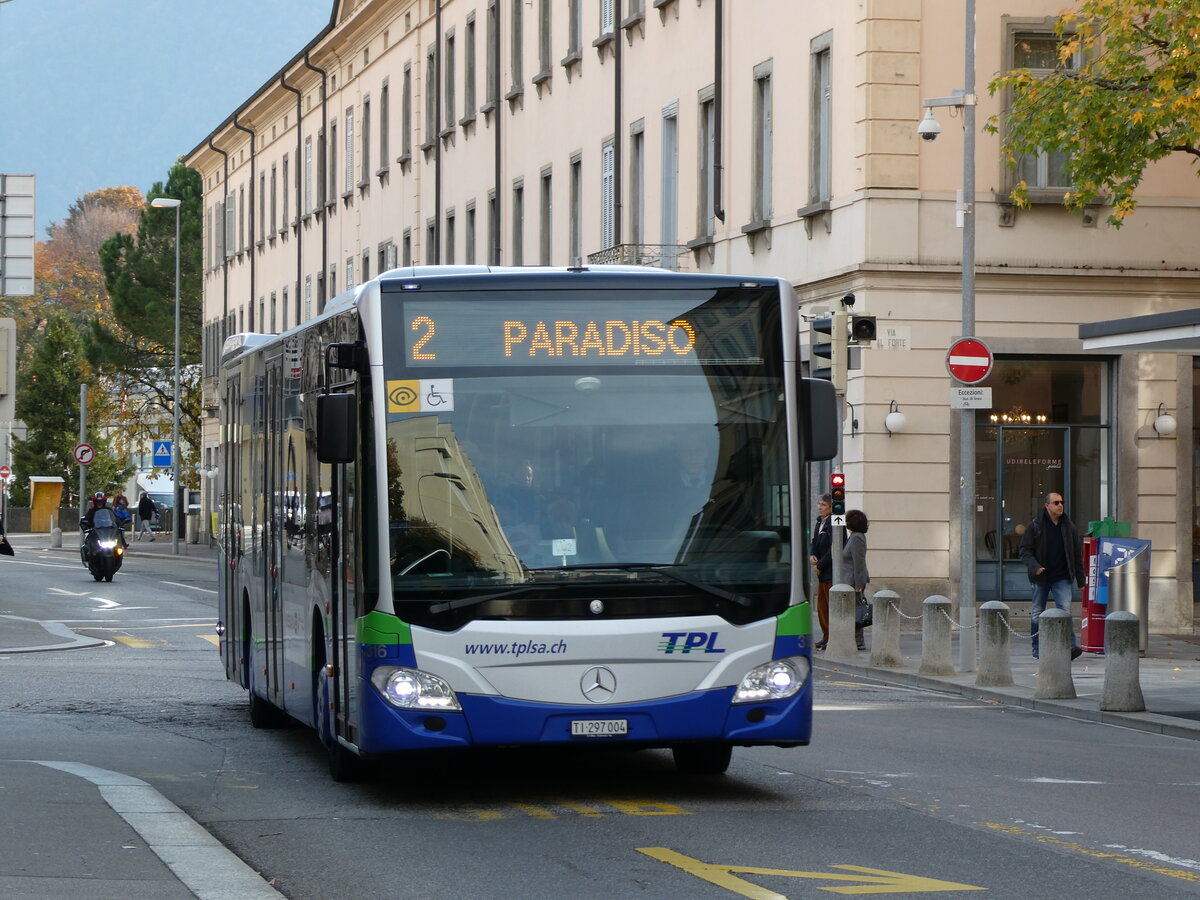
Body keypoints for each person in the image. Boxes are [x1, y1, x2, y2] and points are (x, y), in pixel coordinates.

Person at [1018, 491, 1084, 661]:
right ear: (1047, 505)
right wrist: (1035, 567)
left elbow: (1077, 554)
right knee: (1037, 612)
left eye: (1061, 502)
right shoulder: (1035, 526)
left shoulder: (1069, 527)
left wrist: (1081, 580)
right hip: (1041, 577)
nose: (1060, 505)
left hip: (1062, 577)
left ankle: (1069, 647)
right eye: (1056, 502)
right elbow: (1025, 551)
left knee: (1065, 611)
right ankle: (1037, 648)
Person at [843, 509, 870, 651]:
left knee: (857, 612)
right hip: (849, 580)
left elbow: (859, 562)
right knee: (853, 612)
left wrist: (859, 584)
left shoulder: (857, 538)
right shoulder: (853, 536)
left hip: (854, 582)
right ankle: (854, 640)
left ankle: (859, 642)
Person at [809, 494, 833, 650]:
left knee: (828, 606)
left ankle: (830, 637)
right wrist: (812, 554)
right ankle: (826, 636)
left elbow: (834, 548)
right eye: (819, 504)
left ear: (831, 508)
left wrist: (820, 565)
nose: (819, 507)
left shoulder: (834, 523)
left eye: (823, 505)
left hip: (830, 571)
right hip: (821, 572)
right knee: (821, 607)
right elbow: (814, 542)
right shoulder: (820, 522)